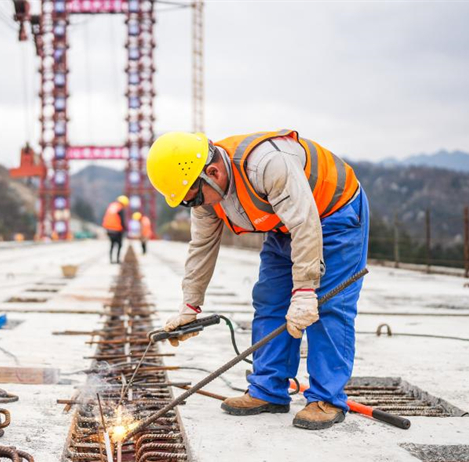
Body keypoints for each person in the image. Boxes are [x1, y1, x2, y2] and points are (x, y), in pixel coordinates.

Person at [146, 130, 369, 430]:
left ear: (212, 173)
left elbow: (305, 223)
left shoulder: (266, 164)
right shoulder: (205, 197)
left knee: (328, 305)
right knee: (270, 299)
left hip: (334, 213)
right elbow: (201, 247)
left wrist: (304, 290)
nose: (195, 205)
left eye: (195, 198)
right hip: (283, 225)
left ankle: (327, 398)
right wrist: (190, 306)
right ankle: (268, 390)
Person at [102, 195, 129, 264]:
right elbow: (122, 220)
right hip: (117, 230)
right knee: (119, 245)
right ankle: (117, 260)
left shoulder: (111, 206)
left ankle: (111, 259)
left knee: (112, 244)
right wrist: (126, 229)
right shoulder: (120, 208)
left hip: (109, 229)